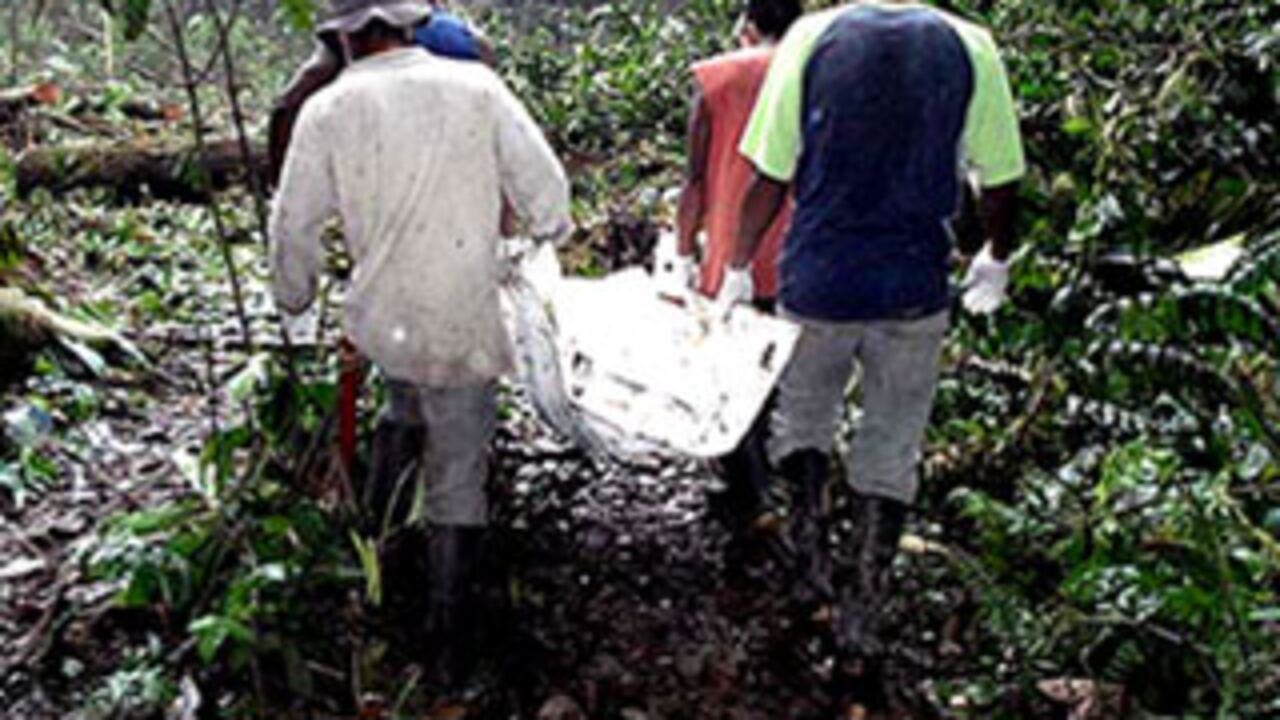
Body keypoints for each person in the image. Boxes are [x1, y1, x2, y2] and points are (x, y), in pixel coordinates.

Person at [724, 0, 1025, 703]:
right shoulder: (968, 45)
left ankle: (809, 574)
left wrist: (738, 264)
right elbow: (1002, 176)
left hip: (820, 282)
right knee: (890, 451)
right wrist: (996, 255)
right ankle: (860, 626)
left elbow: (770, 170)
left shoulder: (810, 37)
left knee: (802, 425)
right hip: (913, 287)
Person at [269, 0, 571, 691]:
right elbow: (550, 200)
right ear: (410, 24)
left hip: (384, 324)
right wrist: (528, 239)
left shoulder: (329, 110)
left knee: (403, 399)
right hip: (465, 321)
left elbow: (293, 231)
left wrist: (294, 300)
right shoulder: (478, 88)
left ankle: (379, 571)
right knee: (458, 478)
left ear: (345, 36)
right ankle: (449, 656)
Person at [675, 0, 802, 535]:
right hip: (803, 251)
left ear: (747, 29)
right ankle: (786, 486)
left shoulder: (716, 79)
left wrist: (684, 250)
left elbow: (696, 179)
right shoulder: (818, 74)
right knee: (786, 375)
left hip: (733, 253)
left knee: (734, 374)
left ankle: (749, 493)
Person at [266, 0, 494, 186]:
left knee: (290, 102)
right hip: (377, 23)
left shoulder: (444, 35)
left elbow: (288, 105)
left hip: (399, 23)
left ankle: (280, 189)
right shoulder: (451, 36)